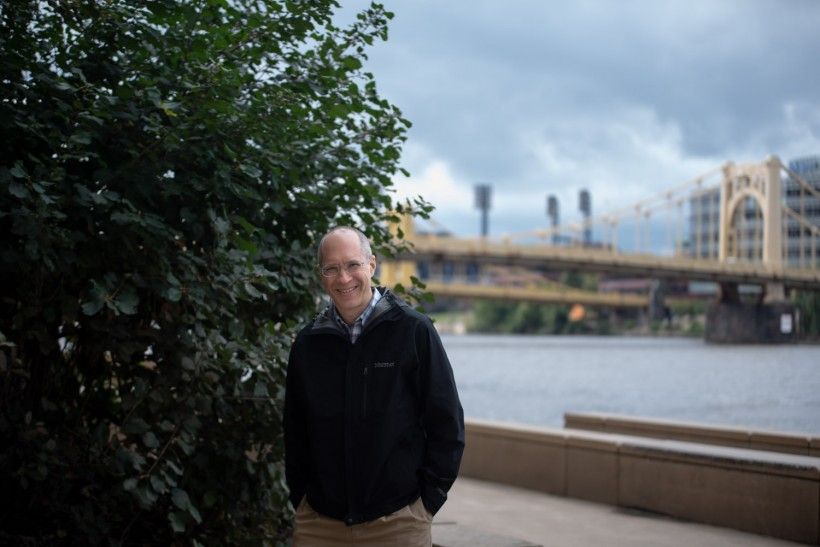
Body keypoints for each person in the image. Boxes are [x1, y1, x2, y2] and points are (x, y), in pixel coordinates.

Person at [284, 226, 464, 546]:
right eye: (332, 268)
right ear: (321, 275)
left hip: (397, 522)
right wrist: (301, 498)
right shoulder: (307, 344)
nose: (344, 278)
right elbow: (295, 431)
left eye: (353, 264)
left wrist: (427, 503)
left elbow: (446, 422)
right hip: (320, 525)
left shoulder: (413, 331)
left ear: (372, 265)